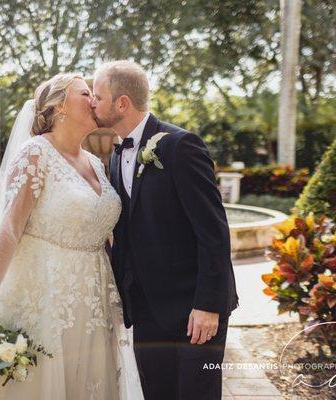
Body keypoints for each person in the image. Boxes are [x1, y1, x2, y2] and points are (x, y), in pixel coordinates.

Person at [0, 72, 142, 400]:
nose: (94, 99)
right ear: (59, 106)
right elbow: (9, 228)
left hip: (94, 300)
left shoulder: (95, 161)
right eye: (85, 93)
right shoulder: (35, 153)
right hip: (45, 295)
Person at [91, 60, 239, 400]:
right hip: (147, 308)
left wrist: (208, 306)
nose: (92, 104)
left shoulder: (180, 146)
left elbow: (213, 232)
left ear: (122, 103)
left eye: (98, 97)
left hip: (194, 310)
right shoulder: (115, 154)